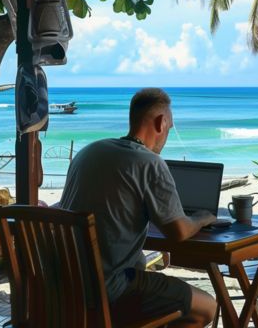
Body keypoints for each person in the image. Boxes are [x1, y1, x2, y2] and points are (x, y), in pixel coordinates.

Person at [59, 88, 217, 327]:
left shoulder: (88, 152)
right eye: (170, 128)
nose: (168, 134)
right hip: (111, 289)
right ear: (161, 122)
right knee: (207, 308)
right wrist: (203, 218)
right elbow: (179, 232)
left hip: (65, 287)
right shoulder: (150, 163)